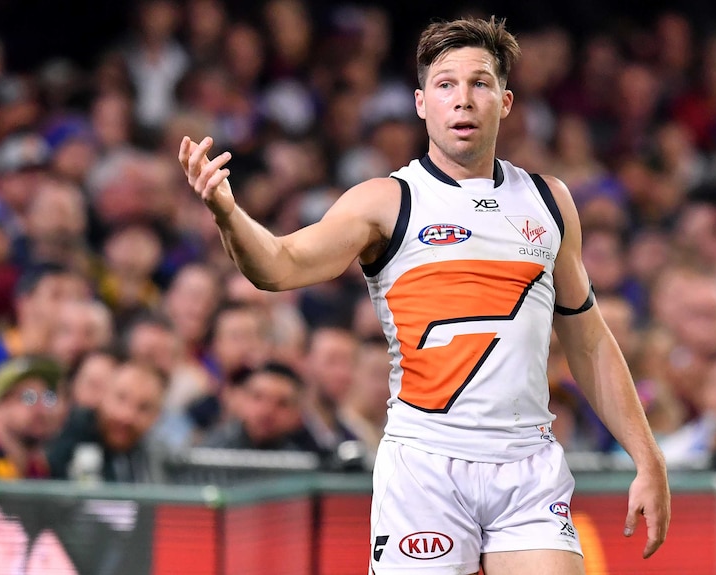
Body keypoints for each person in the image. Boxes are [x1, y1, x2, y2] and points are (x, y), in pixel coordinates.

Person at [179, 16, 670, 575]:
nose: (463, 99)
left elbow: (589, 341)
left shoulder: (548, 201)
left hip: (527, 464)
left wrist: (647, 456)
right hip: (425, 468)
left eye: (480, 83)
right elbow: (278, 265)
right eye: (446, 85)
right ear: (420, 102)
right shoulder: (385, 201)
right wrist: (227, 212)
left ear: (505, 102)